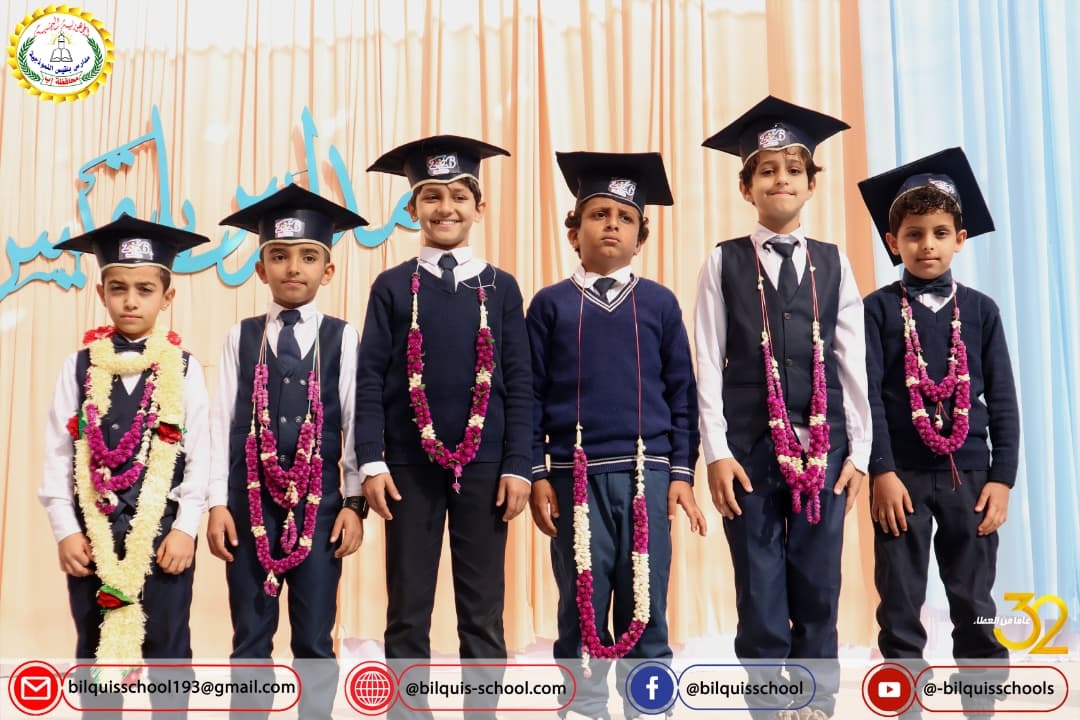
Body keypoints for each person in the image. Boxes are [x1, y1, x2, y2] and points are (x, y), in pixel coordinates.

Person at [695, 96, 871, 720]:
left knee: (819, 581)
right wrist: (716, 453)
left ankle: (816, 700)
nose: (781, 180)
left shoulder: (834, 261)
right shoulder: (723, 260)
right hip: (749, 447)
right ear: (746, 187)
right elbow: (707, 361)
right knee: (760, 581)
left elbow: (852, 361)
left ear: (811, 184)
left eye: (793, 169)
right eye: (766, 170)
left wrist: (861, 452)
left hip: (826, 447)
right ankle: (769, 704)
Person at [358, 135, 532, 719]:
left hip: (486, 465)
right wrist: (371, 461)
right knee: (408, 606)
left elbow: (520, 382)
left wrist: (518, 464)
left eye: (459, 196)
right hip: (408, 467)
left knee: (482, 609)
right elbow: (369, 379)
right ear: (412, 208)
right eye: (431, 196)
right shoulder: (391, 287)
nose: (445, 208)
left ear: (479, 207)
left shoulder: (501, 288)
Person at [527, 151, 705, 720]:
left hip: (646, 474)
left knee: (645, 602)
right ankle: (583, 708)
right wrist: (536, 473)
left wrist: (681, 475)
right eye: (598, 214)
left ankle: (648, 707)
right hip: (573, 476)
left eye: (625, 217)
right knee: (581, 599)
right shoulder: (550, 305)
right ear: (573, 231)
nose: (611, 224)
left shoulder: (658, 303)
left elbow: (682, 394)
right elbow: (528, 396)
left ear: (640, 236)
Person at [859, 147, 1018, 717]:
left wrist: (1002, 480)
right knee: (899, 604)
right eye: (914, 234)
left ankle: (982, 706)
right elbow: (868, 398)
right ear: (893, 242)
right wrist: (881, 471)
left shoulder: (981, 310)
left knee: (974, 602)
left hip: (969, 478)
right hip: (900, 481)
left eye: (940, 233)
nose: (927, 244)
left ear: (960, 239)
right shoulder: (876, 310)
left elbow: (1003, 400)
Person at [209, 183, 369, 720]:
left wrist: (353, 504)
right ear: (261, 270)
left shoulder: (343, 338)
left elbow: (355, 423)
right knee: (250, 636)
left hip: (319, 509)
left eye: (307, 257)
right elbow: (220, 425)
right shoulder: (240, 338)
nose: (293, 267)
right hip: (248, 506)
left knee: (315, 637)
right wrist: (217, 504)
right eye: (278, 256)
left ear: (328, 270)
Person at [41, 214, 211, 719]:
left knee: (168, 647)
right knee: (95, 648)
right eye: (118, 289)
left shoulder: (185, 369)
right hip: (92, 538)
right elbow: (57, 453)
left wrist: (185, 528)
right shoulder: (78, 367)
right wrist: (65, 530)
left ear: (167, 297)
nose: (131, 301)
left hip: (162, 538)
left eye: (144, 290)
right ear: (101, 293)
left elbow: (200, 455)